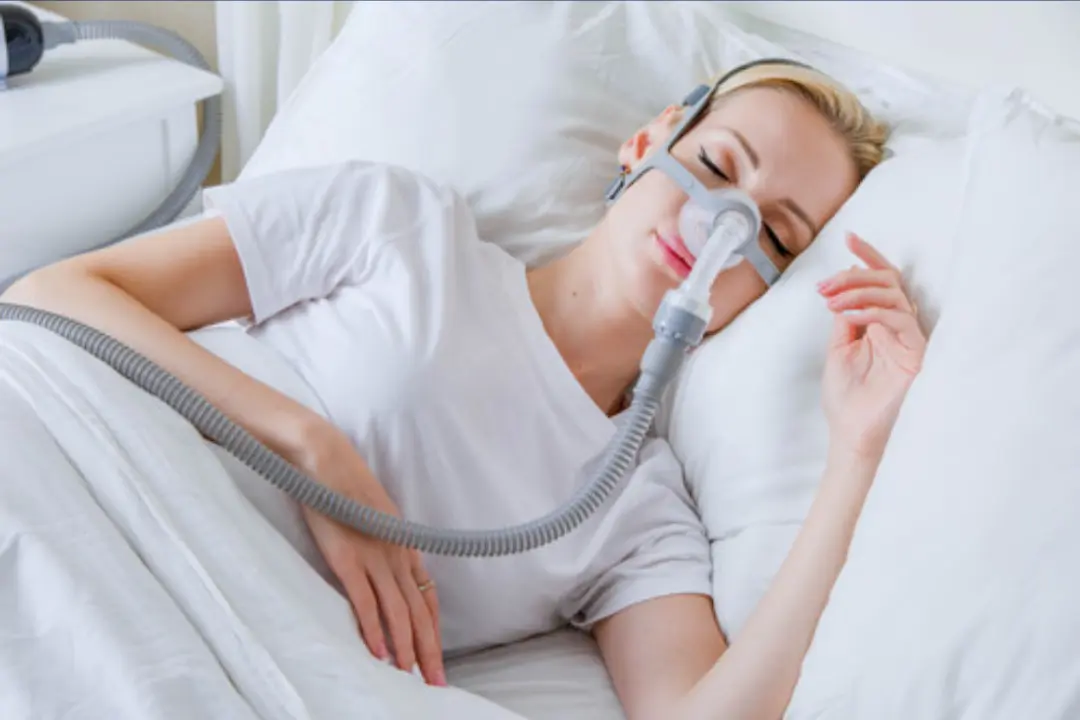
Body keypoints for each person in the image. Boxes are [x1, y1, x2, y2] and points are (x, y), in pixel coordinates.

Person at [1, 58, 923, 719]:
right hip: (63, 472)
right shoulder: (399, 224)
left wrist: (858, 453)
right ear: (649, 140)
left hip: (202, 652)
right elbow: (56, 294)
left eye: (774, 234)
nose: (721, 220)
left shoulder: (633, 512)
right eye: (718, 166)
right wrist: (306, 446)